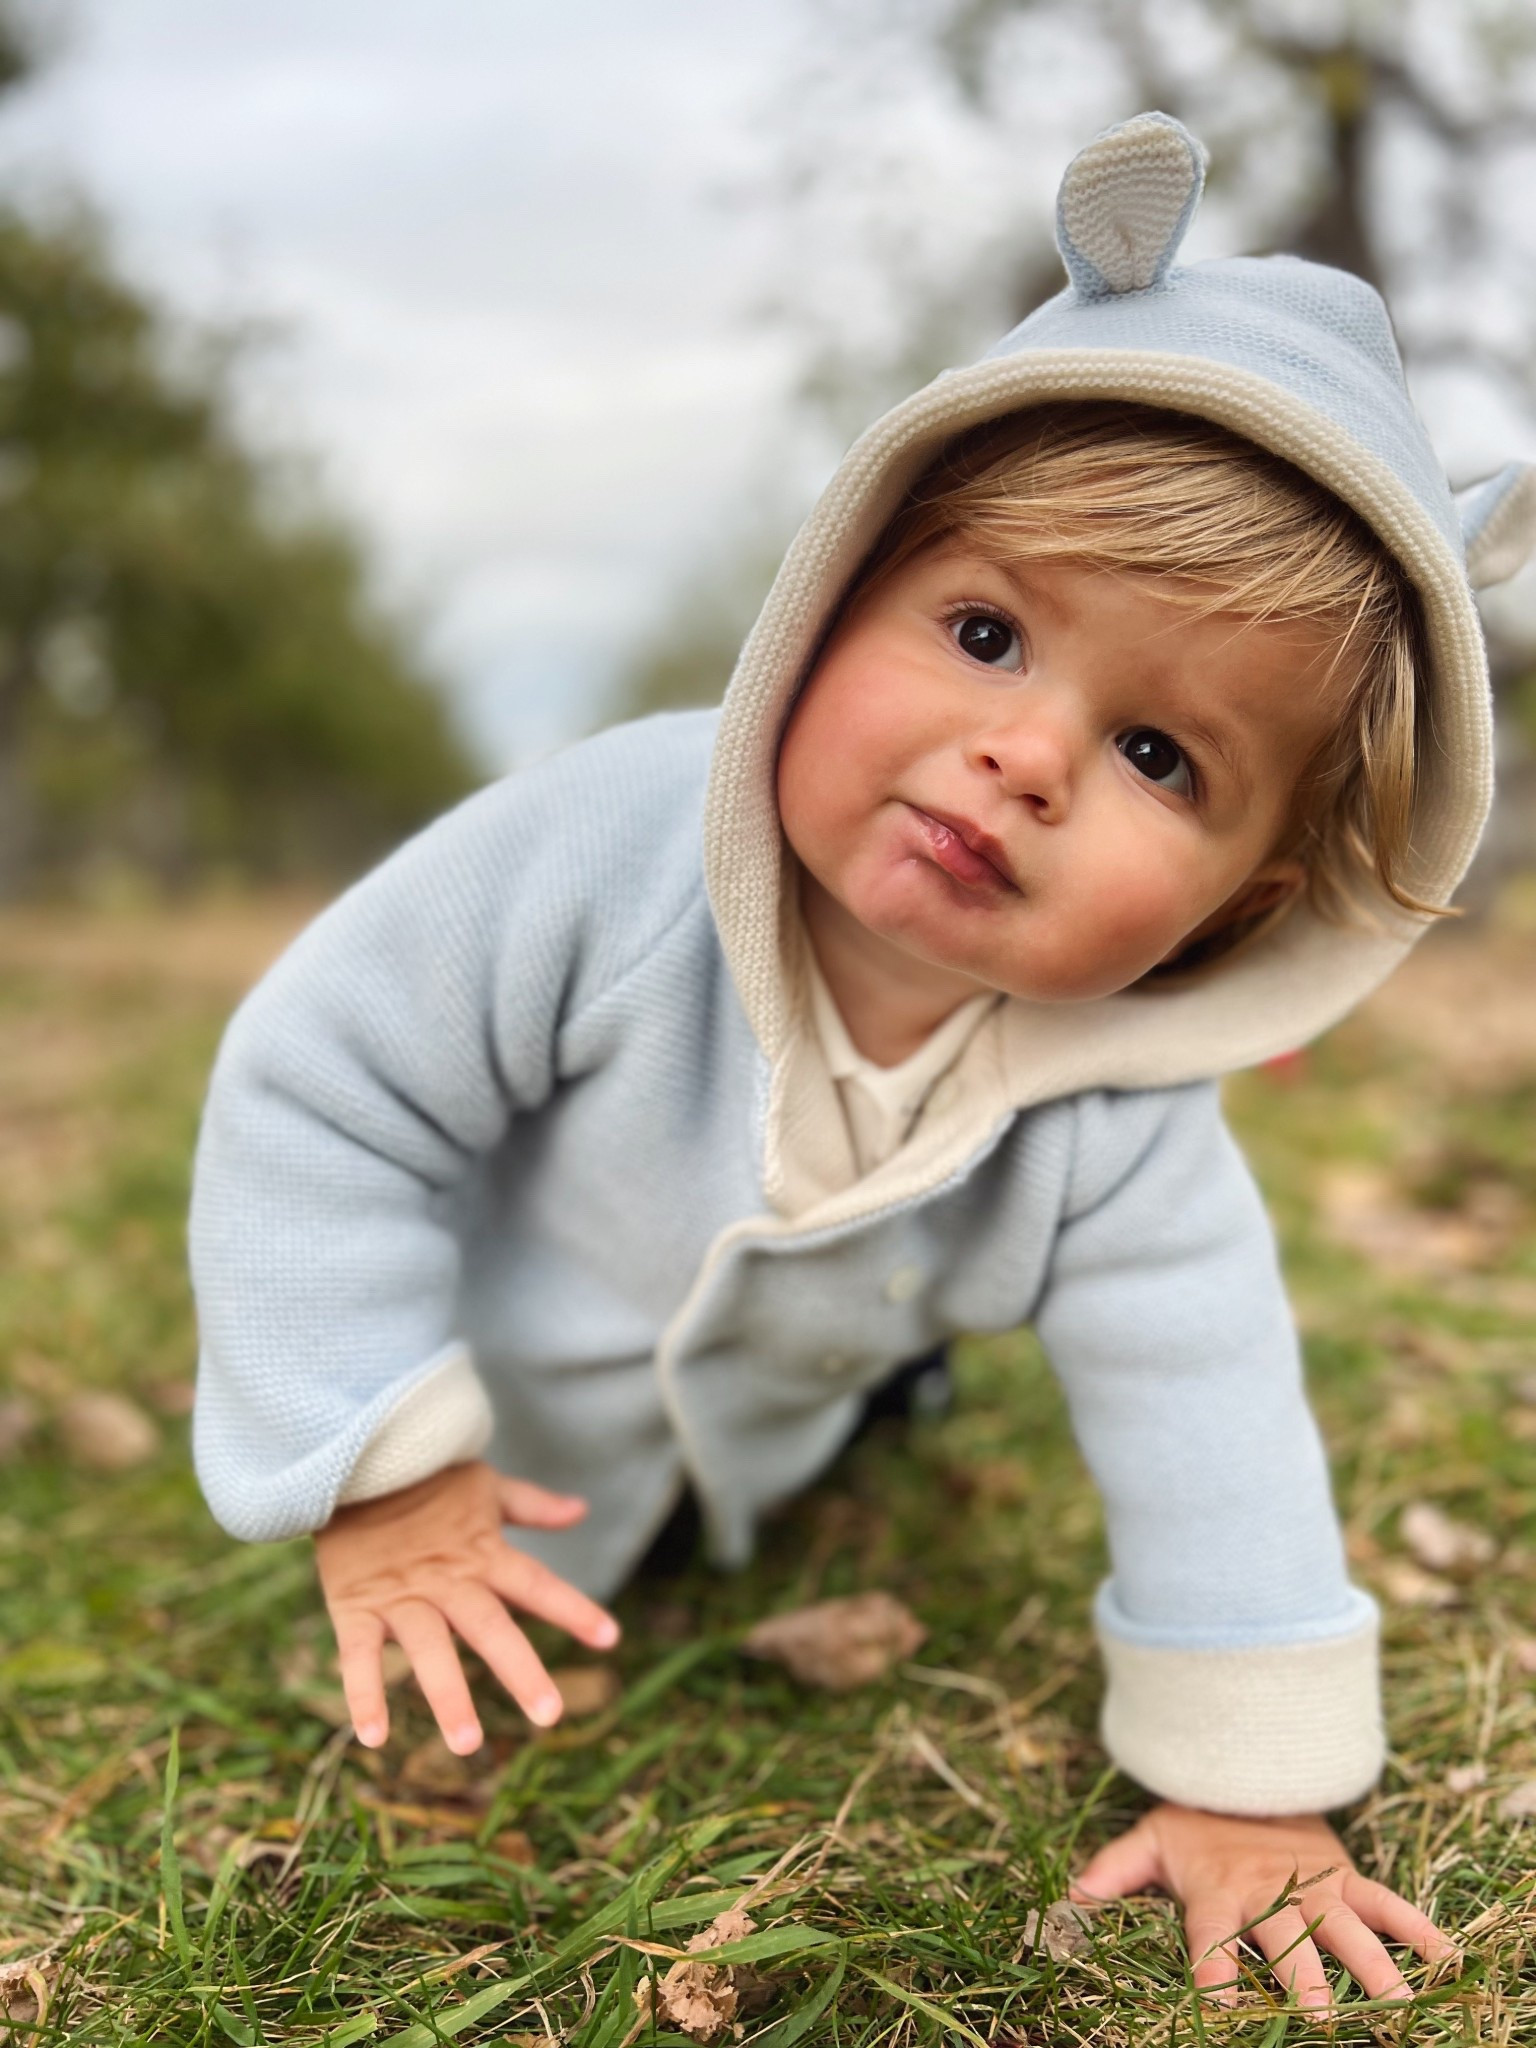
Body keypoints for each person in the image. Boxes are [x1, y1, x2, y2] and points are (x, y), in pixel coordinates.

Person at [188, 113, 1529, 2009]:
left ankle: (874, 1400)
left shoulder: (1116, 1116)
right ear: (835, 589)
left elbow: (1206, 1397)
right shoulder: (611, 849)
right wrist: (381, 1461)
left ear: (1243, 909)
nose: (1030, 757)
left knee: (896, 1332)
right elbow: (329, 1085)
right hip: (498, 1395)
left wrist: (1250, 1782)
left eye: (1163, 757)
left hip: (779, 1419)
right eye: (983, 633)